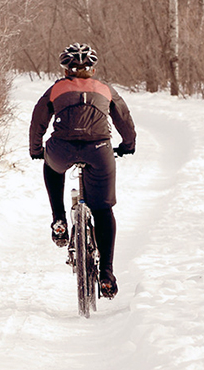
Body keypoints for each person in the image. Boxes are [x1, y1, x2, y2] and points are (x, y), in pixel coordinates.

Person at [29, 43, 136, 298]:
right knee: (103, 209)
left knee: (52, 167)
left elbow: (38, 120)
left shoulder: (56, 89)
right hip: (99, 150)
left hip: (62, 149)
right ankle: (107, 272)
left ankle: (59, 219)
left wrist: (36, 150)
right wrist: (128, 145)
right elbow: (124, 119)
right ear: (92, 69)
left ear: (66, 69)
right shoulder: (105, 89)